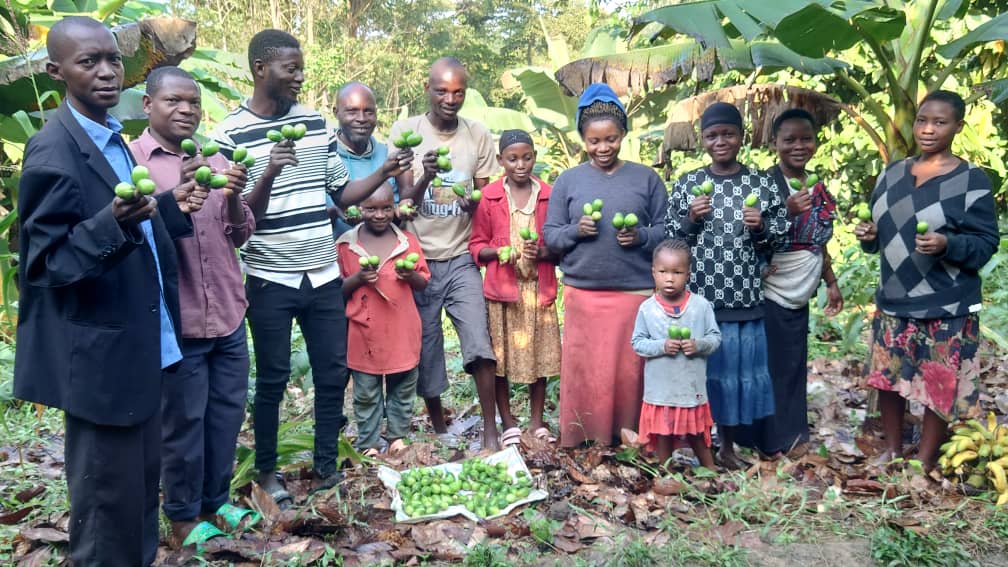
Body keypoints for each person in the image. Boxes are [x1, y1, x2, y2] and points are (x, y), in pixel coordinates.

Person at [13, 17, 207, 566]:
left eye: (112, 60)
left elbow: (133, 223)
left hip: (139, 351)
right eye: (87, 61)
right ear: (56, 71)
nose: (105, 72)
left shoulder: (111, 139)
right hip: (100, 366)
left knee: (139, 497)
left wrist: (169, 206)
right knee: (104, 512)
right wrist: (113, 222)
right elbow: (46, 265)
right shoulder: (53, 151)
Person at [211, 29, 411, 506]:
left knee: (331, 372)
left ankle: (325, 467)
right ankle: (266, 470)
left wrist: (383, 174)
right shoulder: (228, 132)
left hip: (322, 273)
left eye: (301, 68)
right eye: (290, 68)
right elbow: (236, 217)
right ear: (261, 69)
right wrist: (269, 173)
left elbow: (341, 195)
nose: (299, 77)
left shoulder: (315, 124)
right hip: (269, 276)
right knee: (274, 378)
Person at [129, 66, 257, 546]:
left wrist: (234, 194)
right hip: (177, 319)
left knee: (225, 415)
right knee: (183, 421)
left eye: (193, 103)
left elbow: (240, 235)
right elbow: (130, 238)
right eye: (173, 101)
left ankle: (217, 501)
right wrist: (171, 198)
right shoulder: (132, 162)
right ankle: (183, 516)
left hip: (226, 310)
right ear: (147, 105)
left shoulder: (217, 158)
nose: (185, 110)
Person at [854, 90, 998, 470]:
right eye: (922, 120)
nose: (928, 129)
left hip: (946, 303)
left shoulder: (972, 181)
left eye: (940, 122)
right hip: (894, 299)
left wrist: (947, 244)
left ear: (957, 127)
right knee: (888, 379)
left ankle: (926, 459)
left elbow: (986, 244)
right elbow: (885, 236)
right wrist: (870, 237)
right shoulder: (891, 174)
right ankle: (893, 449)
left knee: (940, 384)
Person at [543, 83, 668, 448]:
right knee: (587, 372)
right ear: (583, 139)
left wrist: (642, 237)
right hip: (584, 293)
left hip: (634, 294)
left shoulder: (646, 179)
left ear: (623, 135)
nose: (602, 148)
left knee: (629, 372)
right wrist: (576, 230)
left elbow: (668, 230)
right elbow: (550, 236)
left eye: (611, 139)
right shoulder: (568, 181)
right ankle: (583, 435)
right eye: (594, 141)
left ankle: (629, 436)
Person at [666, 101, 788, 469]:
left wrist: (761, 228)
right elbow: (671, 241)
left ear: (741, 137)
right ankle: (700, 443)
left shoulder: (761, 183)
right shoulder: (688, 183)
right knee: (702, 374)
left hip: (744, 296)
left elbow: (779, 239)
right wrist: (690, 219)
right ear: (703, 139)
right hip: (699, 299)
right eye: (712, 135)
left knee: (734, 374)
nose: (721, 141)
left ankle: (728, 446)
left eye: (728, 134)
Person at [388, 57, 501, 450]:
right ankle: (439, 428)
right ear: (427, 89)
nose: (450, 99)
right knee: (428, 345)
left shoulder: (478, 135)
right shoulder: (406, 132)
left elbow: (484, 202)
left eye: (458, 92)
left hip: (461, 258)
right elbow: (405, 203)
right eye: (442, 91)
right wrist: (427, 176)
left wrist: (472, 203)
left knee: (478, 341)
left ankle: (490, 431)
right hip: (417, 259)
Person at [736, 108, 844, 459]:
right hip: (769, 288)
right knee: (768, 364)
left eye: (806, 138)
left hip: (801, 290)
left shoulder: (817, 188)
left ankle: (793, 435)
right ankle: (764, 439)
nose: (799, 146)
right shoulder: (760, 184)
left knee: (794, 362)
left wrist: (831, 281)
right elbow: (747, 236)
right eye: (789, 140)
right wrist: (786, 210)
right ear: (774, 144)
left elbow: (818, 241)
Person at [469, 130, 561, 445]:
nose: (520, 165)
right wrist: (497, 252)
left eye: (527, 157)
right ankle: (507, 421)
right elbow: (476, 244)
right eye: (512, 158)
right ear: (500, 161)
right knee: (500, 358)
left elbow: (560, 242)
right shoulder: (491, 197)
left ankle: (537, 421)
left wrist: (545, 252)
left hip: (538, 289)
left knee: (541, 355)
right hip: (502, 291)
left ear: (535, 156)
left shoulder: (549, 194)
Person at [336, 183, 430, 455]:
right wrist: (358, 279)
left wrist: (409, 276)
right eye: (371, 209)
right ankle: (368, 442)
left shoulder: (407, 242)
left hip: (402, 330)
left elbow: (423, 281)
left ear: (396, 207)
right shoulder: (346, 245)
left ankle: (397, 435)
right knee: (366, 392)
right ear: (359, 209)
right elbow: (337, 289)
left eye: (387, 208)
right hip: (364, 333)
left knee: (403, 386)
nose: (379, 215)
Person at [631, 239, 721, 468]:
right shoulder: (647, 309)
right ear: (653, 273)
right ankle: (665, 472)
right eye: (663, 272)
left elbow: (715, 338)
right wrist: (661, 346)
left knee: (696, 431)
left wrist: (698, 345)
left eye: (677, 272)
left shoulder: (701, 306)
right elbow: (638, 343)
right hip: (661, 389)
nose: (669, 278)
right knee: (663, 432)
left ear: (688, 274)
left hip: (691, 388)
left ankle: (709, 470)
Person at [327, 82, 405, 236]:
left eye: (368, 111)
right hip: (335, 254)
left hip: (383, 254)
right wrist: (334, 214)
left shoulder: (388, 155)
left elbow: (398, 209)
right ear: (336, 112)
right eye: (352, 111)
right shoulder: (325, 155)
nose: (361, 119)